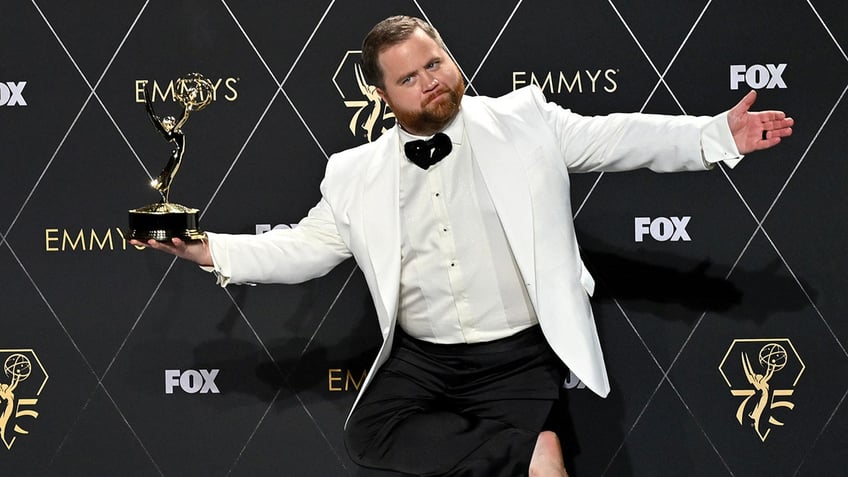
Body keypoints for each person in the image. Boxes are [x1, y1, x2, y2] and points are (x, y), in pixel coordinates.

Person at [133, 15, 793, 477]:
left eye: (436, 63)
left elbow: (620, 138)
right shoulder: (354, 173)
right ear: (383, 94)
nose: (431, 81)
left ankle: (537, 454)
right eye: (410, 77)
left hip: (518, 351)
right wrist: (207, 249)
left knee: (550, 471)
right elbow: (303, 249)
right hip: (425, 357)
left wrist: (716, 136)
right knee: (370, 434)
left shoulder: (525, 122)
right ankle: (524, 449)